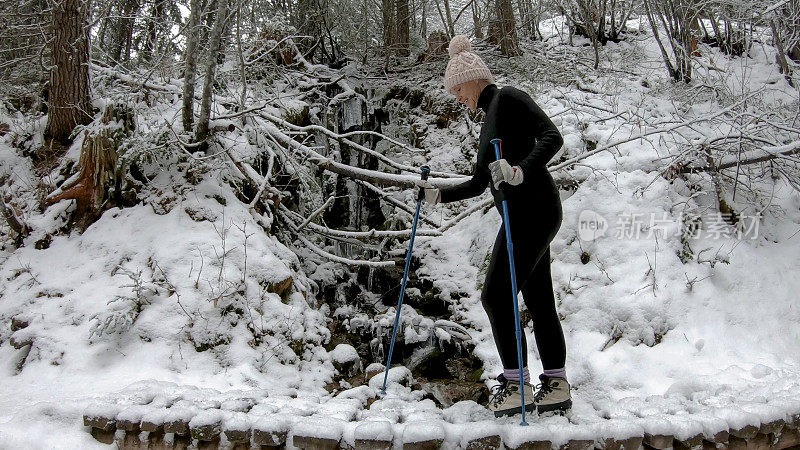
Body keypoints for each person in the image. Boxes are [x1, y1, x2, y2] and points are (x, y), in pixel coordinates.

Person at [418, 35, 570, 417]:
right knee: (537, 300)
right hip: (525, 215)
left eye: (457, 90)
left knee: (496, 296)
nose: (457, 99)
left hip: (533, 210)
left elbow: (553, 137)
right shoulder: (490, 120)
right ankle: (555, 383)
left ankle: (517, 384)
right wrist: (435, 196)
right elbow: (476, 183)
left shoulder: (510, 98)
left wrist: (520, 171)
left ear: (471, 81)